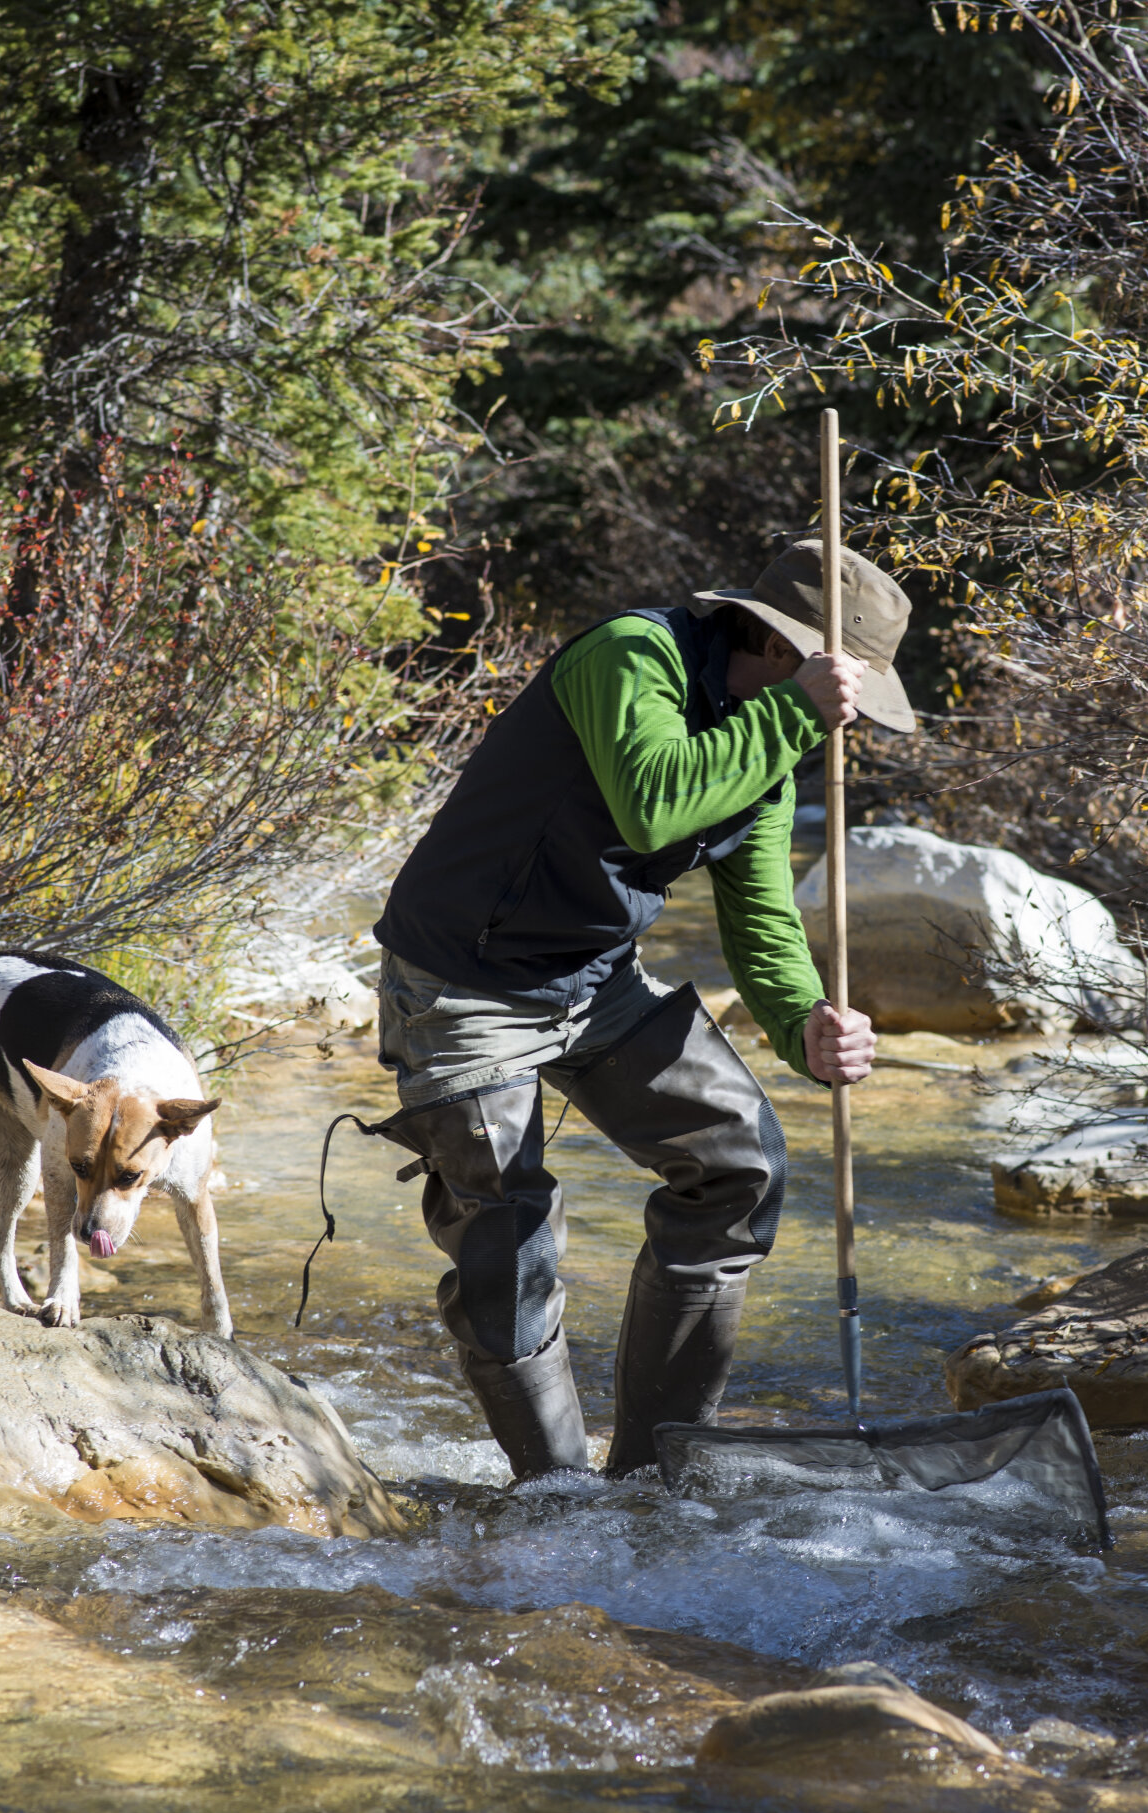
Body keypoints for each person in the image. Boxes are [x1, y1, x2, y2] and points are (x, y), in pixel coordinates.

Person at [369, 540, 918, 1480]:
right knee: (510, 1239)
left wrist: (807, 1024)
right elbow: (654, 805)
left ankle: (649, 1477)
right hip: (464, 979)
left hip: (592, 978)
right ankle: (557, 1494)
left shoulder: (770, 752)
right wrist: (793, 718)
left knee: (737, 1164)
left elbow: (760, 918)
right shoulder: (633, 656)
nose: (845, 722)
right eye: (848, 696)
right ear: (791, 655)